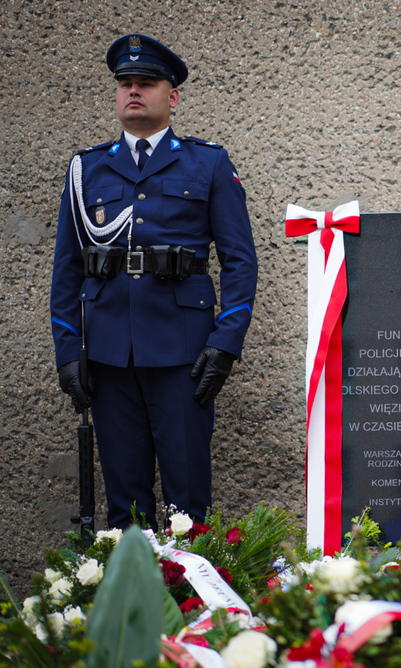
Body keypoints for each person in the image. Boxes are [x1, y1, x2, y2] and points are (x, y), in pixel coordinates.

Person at [50, 34, 258, 531]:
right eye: (125, 84)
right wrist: (66, 350)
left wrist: (225, 343)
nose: (133, 92)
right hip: (107, 355)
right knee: (124, 503)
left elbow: (239, 261)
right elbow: (66, 267)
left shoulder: (207, 163)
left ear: (173, 96)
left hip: (184, 353)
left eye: (146, 83)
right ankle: (132, 606)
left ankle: (194, 605)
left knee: (189, 499)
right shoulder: (87, 168)